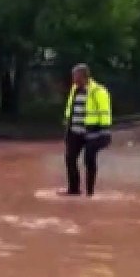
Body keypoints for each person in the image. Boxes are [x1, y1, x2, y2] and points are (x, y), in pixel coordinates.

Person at [60, 64, 112, 197]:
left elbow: (104, 112)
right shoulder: (74, 90)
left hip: (92, 132)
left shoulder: (98, 91)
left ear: (84, 76)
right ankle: (73, 189)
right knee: (70, 158)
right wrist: (67, 122)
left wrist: (103, 132)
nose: (73, 79)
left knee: (89, 158)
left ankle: (90, 191)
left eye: (75, 76)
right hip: (74, 131)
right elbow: (70, 107)